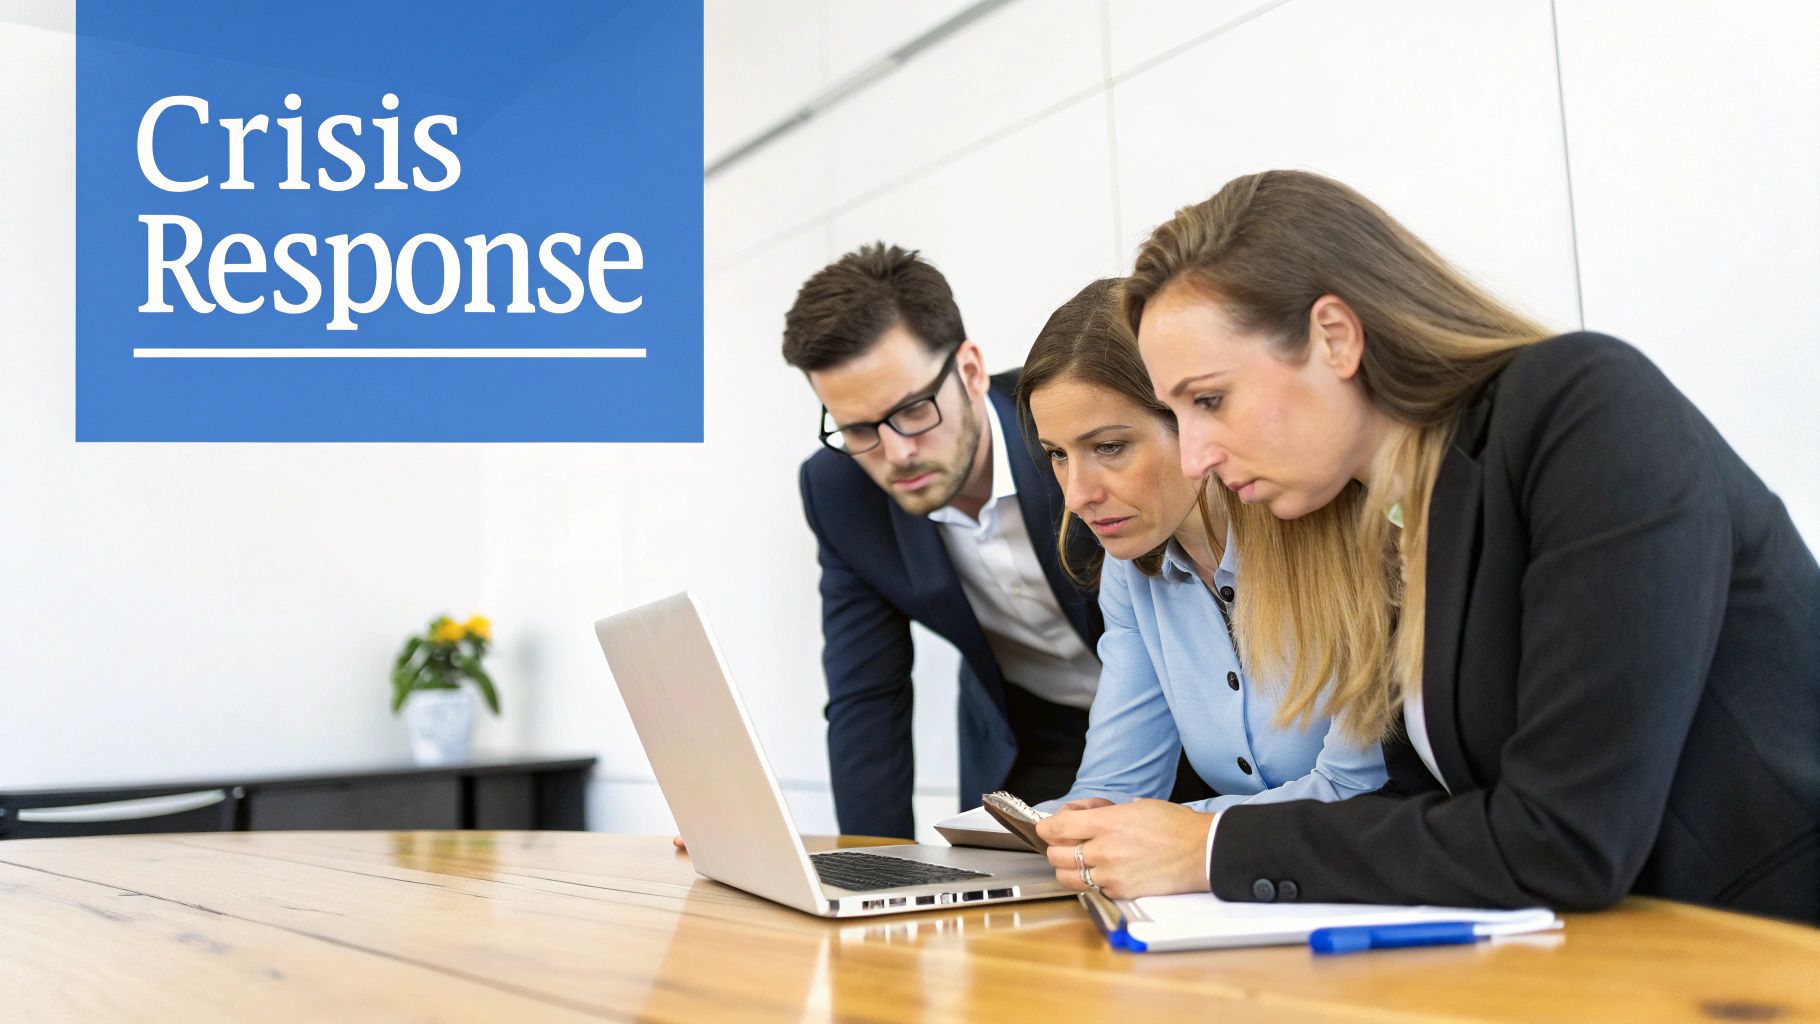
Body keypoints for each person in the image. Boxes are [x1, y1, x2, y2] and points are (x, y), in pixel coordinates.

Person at [1036, 170, 1820, 924]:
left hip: (1763, 946)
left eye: (1209, 400)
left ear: (1336, 338)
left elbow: (1565, 840)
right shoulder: (1409, 513)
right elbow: (1425, 811)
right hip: (1601, 958)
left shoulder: (1583, 410)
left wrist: (1211, 846)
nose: (1197, 453)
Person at [1014, 279, 1384, 863]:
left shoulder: (1333, 535)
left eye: (1108, 446)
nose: (1077, 495)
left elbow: (1357, 793)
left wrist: (1159, 834)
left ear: (1193, 417)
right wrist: (1064, 830)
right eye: (1058, 454)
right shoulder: (1130, 571)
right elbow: (1113, 790)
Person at [783, 243, 1109, 840]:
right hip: (1033, 740)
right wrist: (872, 870)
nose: (896, 452)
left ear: (971, 370)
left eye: (912, 410)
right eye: (858, 428)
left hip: (1184, 715)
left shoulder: (1070, 429)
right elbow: (866, 700)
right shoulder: (839, 491)